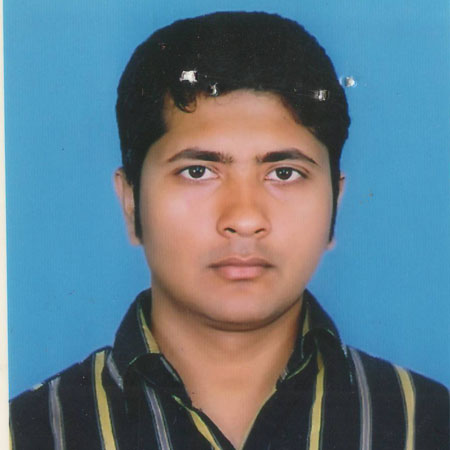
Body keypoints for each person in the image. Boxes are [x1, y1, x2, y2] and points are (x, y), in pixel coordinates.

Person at [9, 11, 449, 450]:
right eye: (198, 171)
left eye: (284, 173)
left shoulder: (425, 424)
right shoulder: (30, 432)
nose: (244, 217)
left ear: (335, 200)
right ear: (130, 202)